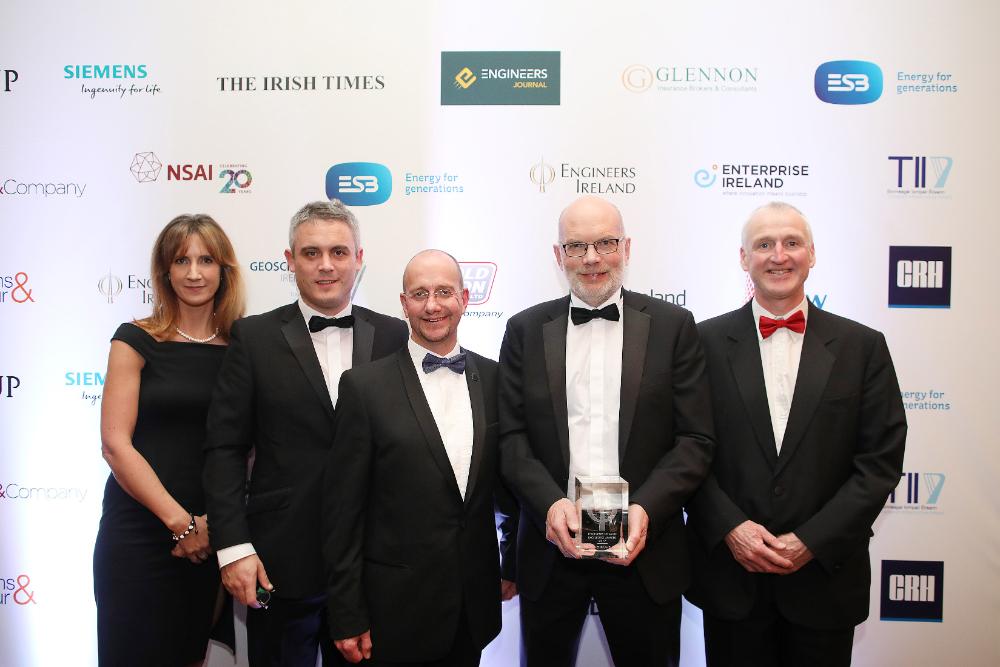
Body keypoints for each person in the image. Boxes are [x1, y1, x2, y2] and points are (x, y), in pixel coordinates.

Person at [685, 201, 907, 666]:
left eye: (791, 242)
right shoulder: (701, 344)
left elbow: (879, 462)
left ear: (812, 254)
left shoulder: (863, 347)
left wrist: (813, 540)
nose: (778, 256)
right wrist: (731, 528)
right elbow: (685, 450)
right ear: (744, 258)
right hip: (732, 580)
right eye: (764, 244)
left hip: (825, 580)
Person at [498, 195, 715, 666]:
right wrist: (550, 504)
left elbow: (695, 440)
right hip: (551, 551)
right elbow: (510, 439)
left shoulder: (674, 327)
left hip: (645, 553)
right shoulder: (524, 330)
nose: (592, 258)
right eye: (576, 246)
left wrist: (646, 508)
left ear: (627, 248)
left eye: (606, 243)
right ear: (558, 255)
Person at [202, 200, 408, 666]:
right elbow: (224, 449)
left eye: (339, 252)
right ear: (290, 260)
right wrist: (233, 548)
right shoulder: (253, 337)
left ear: (359, 258)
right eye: (311, 253)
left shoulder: (395, 336)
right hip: (278, 561)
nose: (325, 265)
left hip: (373, 564)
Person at [323, 250, 516, 667]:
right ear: (404, 303)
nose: (432, 305)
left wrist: (511, 561)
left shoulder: (495, 378)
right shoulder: (363, 388)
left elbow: (509, 485)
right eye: (420, 294)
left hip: (472, 607)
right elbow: (343, 513)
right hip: (394, 610)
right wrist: (346, 611)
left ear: (464, 299)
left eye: (444, 292)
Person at [94, 213, 245, 666]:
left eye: (206, 260)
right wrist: (180, 524)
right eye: (182, 260)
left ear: (224, 270)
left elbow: (251, 447)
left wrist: (212, 526)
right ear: (164, 271)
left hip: (209, 534)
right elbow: (115, 445)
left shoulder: (243, 347)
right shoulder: (135, 340)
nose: (194, 273)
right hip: (139, 531)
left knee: (187, 654)